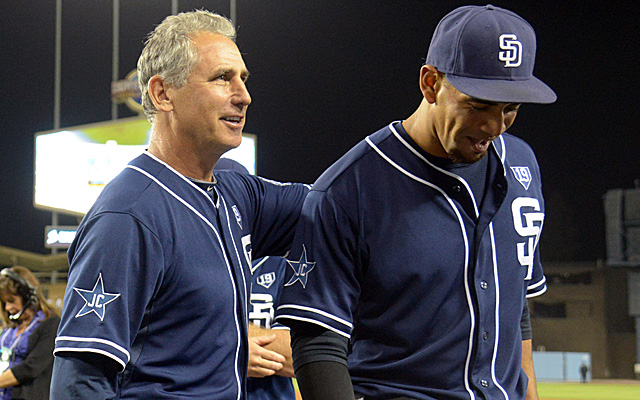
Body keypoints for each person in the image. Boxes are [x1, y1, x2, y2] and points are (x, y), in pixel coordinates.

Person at [276, 4, 555, 400]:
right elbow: (319, 342)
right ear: (430, 83)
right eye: (478, 105)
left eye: (510, 108)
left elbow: (514, 301)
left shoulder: (522, 163)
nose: (493, 127)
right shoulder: (349, 189)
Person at [50, 10, 308, 399]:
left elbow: (335, 206)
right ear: (162, 93)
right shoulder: (127, 217)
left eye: (243, 79)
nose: (244, 95)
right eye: (223, 78)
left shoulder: (232, 186)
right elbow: (79, 385)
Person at [215, 159, 297, 400]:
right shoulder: (185, 266)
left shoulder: (285, 264)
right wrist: (238, 347)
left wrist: (220, 347)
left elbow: (299, 353)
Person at [0, 266, 60, 400]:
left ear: (28, 295)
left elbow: (31, 368)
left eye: (11, 301)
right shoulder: (11, 327)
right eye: (5, 302)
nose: (8, 308)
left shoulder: (50, 324)